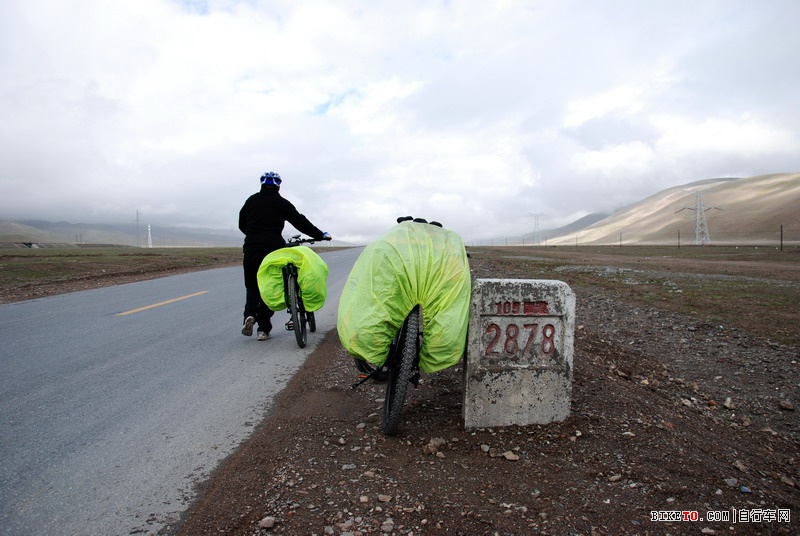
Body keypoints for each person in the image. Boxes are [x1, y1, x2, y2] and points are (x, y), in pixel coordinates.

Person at [238, 171, 330, 340]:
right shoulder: (281, 202)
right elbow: (299, 221)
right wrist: (319, 234)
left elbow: (241, 224)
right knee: (271, 285)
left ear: (262, 184)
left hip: (251, 249)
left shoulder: (251, 200)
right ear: (278, 185)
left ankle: (249, 315)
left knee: (252, 286)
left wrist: (253, 235)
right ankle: (263, 329)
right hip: (273, 250)